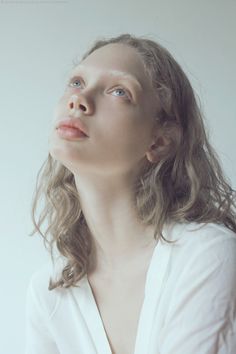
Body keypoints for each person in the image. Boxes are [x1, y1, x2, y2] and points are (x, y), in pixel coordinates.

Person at [25, 33, 236, 354]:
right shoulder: (50, 291)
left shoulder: (206, 256)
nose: (78, 101)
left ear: (160, 141)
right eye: (77, 82)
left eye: (120, 91)